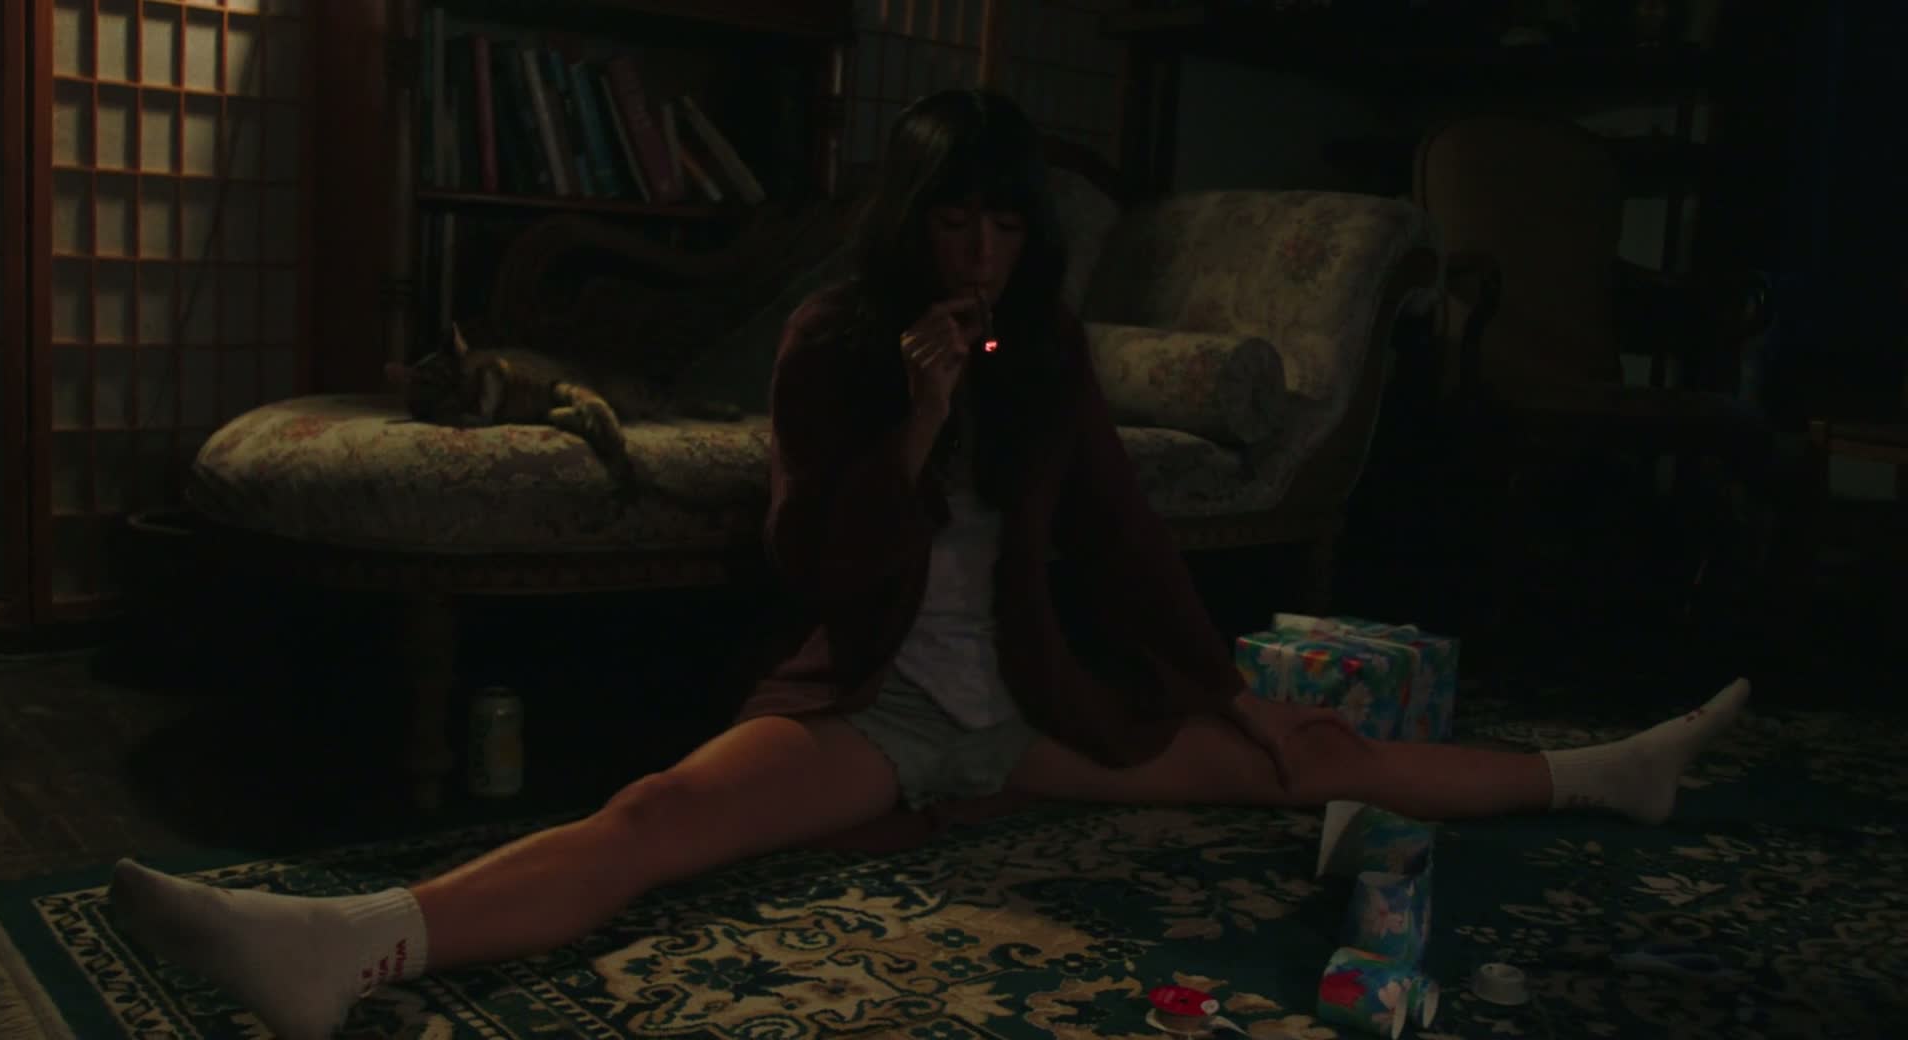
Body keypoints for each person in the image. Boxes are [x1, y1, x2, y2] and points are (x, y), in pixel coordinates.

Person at [107, 89, 1751, 1040]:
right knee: (657, 819)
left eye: (1006, 228)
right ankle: (353, 942)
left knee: (1307, 750)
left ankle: (1604, 775)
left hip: (1025, 706)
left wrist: (1224, 688)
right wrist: (908, 426)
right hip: (874, 711)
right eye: (956, 224)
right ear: (914, 224)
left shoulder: (1052, 351)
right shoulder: (835, 340)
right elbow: (810, 557)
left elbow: (1125, 537)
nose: (981, 254)